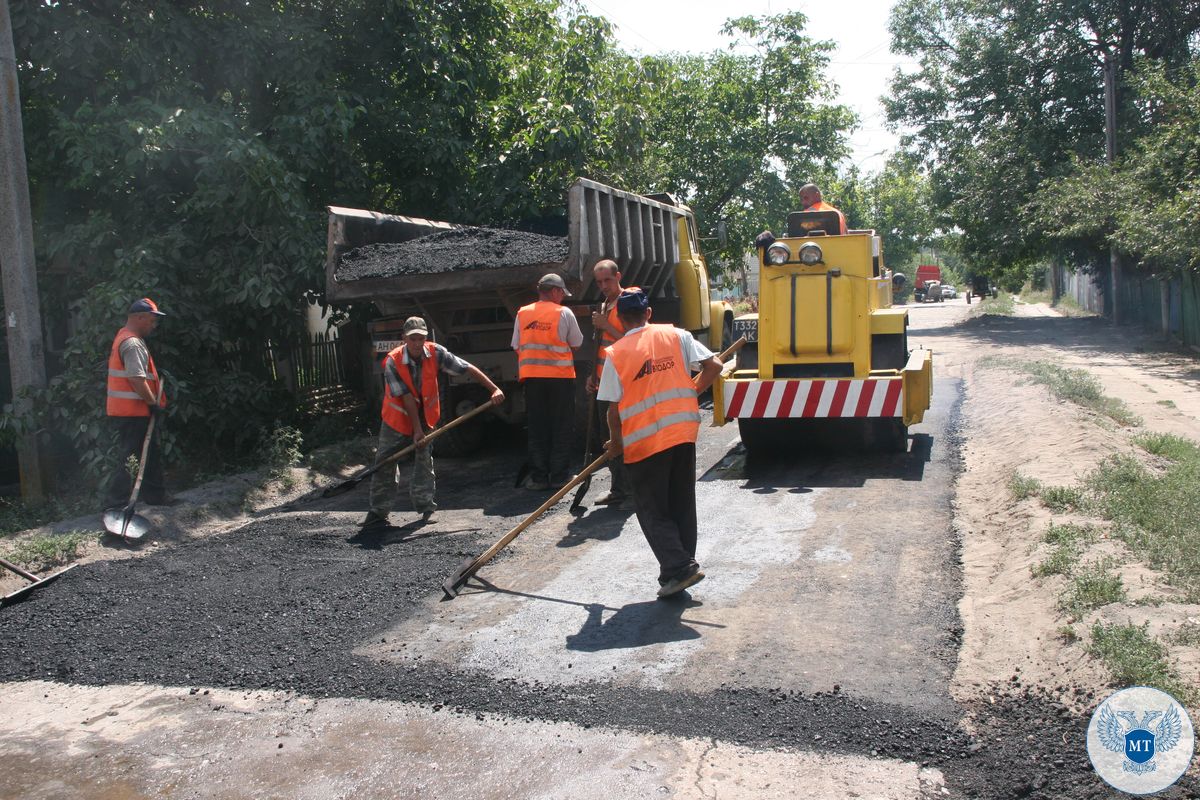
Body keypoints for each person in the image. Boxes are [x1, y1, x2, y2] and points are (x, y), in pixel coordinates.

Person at [598, 288, 723, 598]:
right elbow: (715, 367)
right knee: (681, 504)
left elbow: (614, 411)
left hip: (644, 442)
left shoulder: (616, 353)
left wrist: (616, 443)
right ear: (648, 313)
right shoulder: (676, 336)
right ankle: (676, 570)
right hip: (682, 433)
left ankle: (680, 568)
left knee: (652, 509)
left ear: (620, 319)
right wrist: (689, 392)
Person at [360, 316, 504, 531]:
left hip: (426, 417)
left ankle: (426, 507)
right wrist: (416, 431)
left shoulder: (436, 353)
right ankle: (378, 512)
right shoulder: (393, 361)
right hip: (397, 419)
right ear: (404, 339)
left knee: (424, 460)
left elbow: (467, 368)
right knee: (385, 461)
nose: (418, 343)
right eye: (413, 339)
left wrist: (494, 389)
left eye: (421, 338)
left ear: (426, 338)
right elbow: (407, 398)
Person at [512, 273, 583, 490]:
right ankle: (560, 477)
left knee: (537, 427)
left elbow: (516, 345)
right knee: (561, 426)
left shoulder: (523, 313)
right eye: (561, 292)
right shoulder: (564, 313)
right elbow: (577, 343)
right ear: (554, 291)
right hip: (560, 379)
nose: (562, 297)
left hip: (532, 379)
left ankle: (539, 478)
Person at [104, 297, 171, 510]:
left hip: (132, 411)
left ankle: (156, 497)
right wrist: (152, 403)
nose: (154, 325)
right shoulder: (132, 342)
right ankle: (115, 504)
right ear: (140, 317)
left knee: (148, 453)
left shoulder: (126, 337)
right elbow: (136, 378)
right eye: (151, 320)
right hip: (133, 411)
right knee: (130, 457)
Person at [584, 259, 632, 507]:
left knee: (622, 433)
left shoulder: (629, 302)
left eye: (607, 280)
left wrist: (607, 326)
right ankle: (619, 488)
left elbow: (633, 340)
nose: (603, 285)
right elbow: (600, 346)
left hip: (624, 381)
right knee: (609, 435)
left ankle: (628, 488)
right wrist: (594, 375)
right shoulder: (605, 305)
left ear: (618, 276)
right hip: (605, 379)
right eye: (599, 281)